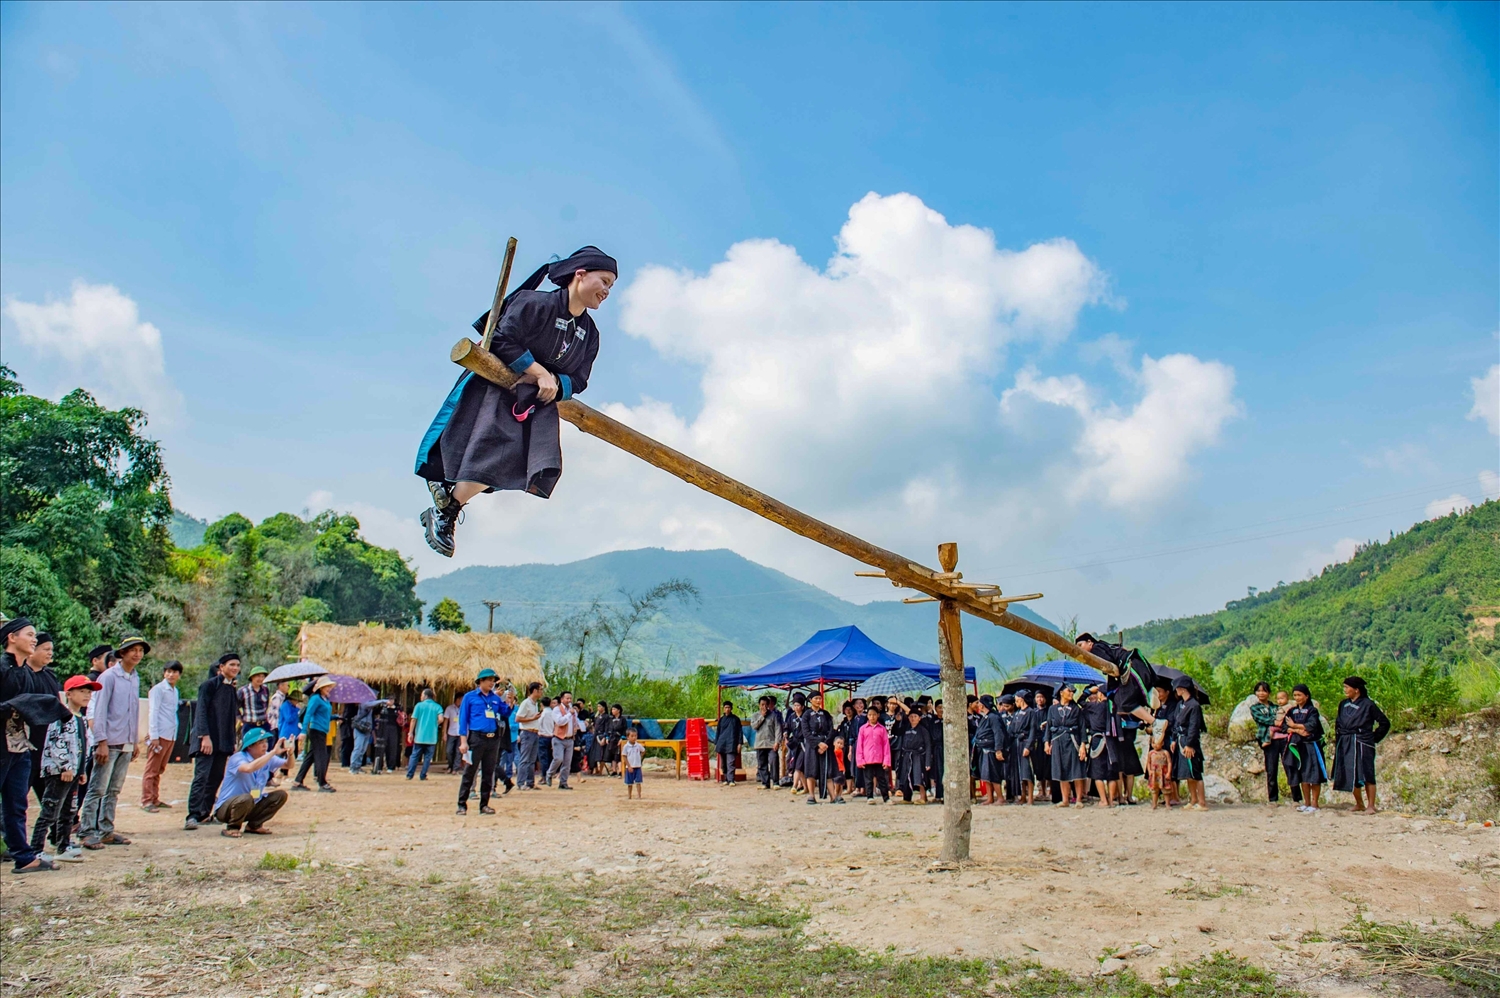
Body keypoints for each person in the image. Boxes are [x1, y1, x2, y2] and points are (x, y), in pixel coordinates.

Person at [417, 246, 619, 558]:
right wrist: (537, 372)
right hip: (493, 392)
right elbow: (498, 338)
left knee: (515, 465)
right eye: (603, 280)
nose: (606, 290)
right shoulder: (533, 303)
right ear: (579, 274)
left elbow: (579, 380)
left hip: (536, 407)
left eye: (611, 286)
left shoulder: (589, 334)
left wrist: (553, 384)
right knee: (492, 454)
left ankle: (446, 505)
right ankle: (445, 508)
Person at [79, 635, 146, 849]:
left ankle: (106, 829)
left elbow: (133, 710)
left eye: (140, 650)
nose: (137, 654)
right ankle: (87, 831)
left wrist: (135, 741)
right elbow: (100, 710)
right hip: (109, 741)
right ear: (122, 653)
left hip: (126, 741)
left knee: (114, 789)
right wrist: (101, 742)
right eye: (132, 650)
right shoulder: (108, 677)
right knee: (98, 787)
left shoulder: (135, 677)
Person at [32, 674, 98, 864]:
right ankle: (36, 849)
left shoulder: (82, 719)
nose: (86, 695)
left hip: (75, 773)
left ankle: (63, 845)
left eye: (89, 692)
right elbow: (54, 743)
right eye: (82, 691)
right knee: (50, 809)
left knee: (69, 810)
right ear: (69, 694)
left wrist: (82, 770)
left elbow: (84, 745)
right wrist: (64, 767)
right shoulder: (60, 716)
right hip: (59, 773)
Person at [187, 653, 241, 830]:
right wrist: (204, 736)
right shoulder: (208, 686)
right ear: (221, 667)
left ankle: (204, 813)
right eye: (231, 664)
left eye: (237, 665)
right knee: (201, 776)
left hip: (223, 742)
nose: (235, 668)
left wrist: (232, 741)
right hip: (207, 740)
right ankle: (193, 815)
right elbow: (200, 712)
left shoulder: (232, 689)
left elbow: (231, 717)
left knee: (216, 777)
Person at [212, 728, 290, 837]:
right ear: (250, 746)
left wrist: (290, 754)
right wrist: (272, 753)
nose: (265, 745)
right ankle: (232, 827)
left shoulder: (266, 757)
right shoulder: (238, 758)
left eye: (266, 742)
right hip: (227, 808)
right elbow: (248, 768)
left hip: (250, 803)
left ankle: (254, 826)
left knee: (280, 795)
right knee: (246, 798)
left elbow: (288, 765)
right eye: (260, 743)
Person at [1332, 676, 1390, 814]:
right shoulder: (1343, 704)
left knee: (1367, 772)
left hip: (1362, 741)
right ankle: (1359, 803)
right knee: (1350, 772)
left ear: (1356, 690)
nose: (1345, 690)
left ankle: (1371, 805)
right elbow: (1338, 723)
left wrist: (1373, 738)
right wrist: (1338, 739)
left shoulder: (1368, 704)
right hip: (1346, 741)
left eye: (1347, 687)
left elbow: (1384, 723)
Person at [1075, 633, 1157, 726]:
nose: (1079, 649)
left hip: (1131, 668)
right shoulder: (1104, 645)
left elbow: (1108, 662)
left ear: (1089, 642)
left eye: (1080, 645)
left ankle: (1155, 723)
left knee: (1126, 703)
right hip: (1138, 665)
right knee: (1125, 698)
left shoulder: (1095, 649)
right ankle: (1150, 694)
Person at [456, 668, 505, 814]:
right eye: (489, 680)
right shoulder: (470, 697)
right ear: (481, 681)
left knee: (488, 773)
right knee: (470, 771)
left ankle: (484, 805)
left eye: (493, 680)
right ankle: (462, 804)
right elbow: (463, 720)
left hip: (493, 739)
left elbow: (505, 712)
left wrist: (508, 702)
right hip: (477, 738)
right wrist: (463, 741)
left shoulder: (495, 698)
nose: (492, 683)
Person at [22, 632, 62, 801]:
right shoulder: (22, 675)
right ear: (33, 650)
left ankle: (58, 826)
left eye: (51, 649)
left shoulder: (50, 675)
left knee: (50, 797)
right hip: (29, 743)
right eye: (45, 649)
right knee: (19, 792)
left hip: (49, 744)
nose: (50, 653)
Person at [141, 660, 183, 812]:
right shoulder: (158, 690)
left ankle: (154, 797)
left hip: (170, 734)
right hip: (159, 734)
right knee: (152, 768)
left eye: (174, 672)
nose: (171, 675)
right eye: (168, 671)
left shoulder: (175, 691)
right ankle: (146, 800)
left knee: (160, 768)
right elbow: (154, 711)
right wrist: (154, 735)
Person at [1284, 684, 1326, 812]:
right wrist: (1297, 730)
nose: (1297, 698)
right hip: (1298, 747)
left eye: (1299, 695)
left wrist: (1295, 725)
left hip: (1311, 745)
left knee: (1314, 775)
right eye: (1295, 695)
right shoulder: (1292, 711)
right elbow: (1284, 726)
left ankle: (1314, 804)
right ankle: (1306, 803)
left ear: (1306, 696)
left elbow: (1312, 725)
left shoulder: (1312, 711)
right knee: (1302, 775)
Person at [1045, 686, 1088, 807]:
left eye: (1073, 692)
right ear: (1061, 692)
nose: (1071, 693)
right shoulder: (1052, 709)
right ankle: (1065, 800)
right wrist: (1046, 742)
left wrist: (1083, 745)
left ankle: (1078, 799)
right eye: (1069, 691)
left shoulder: (1076, 709)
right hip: (1058, 741)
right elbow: (1048, 726)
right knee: (1061, 769)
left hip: (1073, 740)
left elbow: (1082, 728)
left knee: (1076, 770)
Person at [292, 677, 336, 792]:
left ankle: (298, 781)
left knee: (310, 756)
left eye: (329, 687)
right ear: (320, 688)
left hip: (322, 730)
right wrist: (303, 732)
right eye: (327, 687)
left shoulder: (325, 700)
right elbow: (308, 714)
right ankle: (322, 783)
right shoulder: (315, 699)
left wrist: (336, 717)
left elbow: (324, 716)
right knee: (322, 756)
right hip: (316, 730)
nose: (329, 689)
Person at [1172, 677, 1208, 811]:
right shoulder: (1180, 704)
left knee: (1195, 772)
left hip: (1189, 741)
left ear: (1183, 688)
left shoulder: (1194, 705)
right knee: (1188, 773)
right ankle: (1193, 800)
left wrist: (1190, 744)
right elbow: (1176, 723)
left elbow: (1194, 726)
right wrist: (1174, 739)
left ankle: (1202, 802)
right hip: (1181, 739)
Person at [1081, 686, 1118, 808]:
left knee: (1098, 773)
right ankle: (1112, 800)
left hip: (1098, 740)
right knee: (1111, 773)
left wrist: (1088, 691)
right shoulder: (1114, 706)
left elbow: (1080, 702)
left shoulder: (1096, 706)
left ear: (1101, 695)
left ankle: (1104, 800)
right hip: (1112, 741)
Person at [802, 693, 837, 804]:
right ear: (811, 700)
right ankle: (811, 796)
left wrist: (825, 744)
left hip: (826, 746)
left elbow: (831, 729)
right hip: (812, 747)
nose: (818, 700)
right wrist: (818, 744)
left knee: (828, 771)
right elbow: (806, 732)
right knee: (811, 771)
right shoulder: (806, 715)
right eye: (816, 698)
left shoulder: (825, 714)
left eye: (820, 698)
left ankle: (833, 796)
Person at [855, 705, 891, 804]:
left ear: (878, 715)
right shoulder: (863, 729)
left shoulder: (882, 729)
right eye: (870, 715)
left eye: (874, 715)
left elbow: (886, 745)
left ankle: (886, 798)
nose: (872, 717)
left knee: (882, 779)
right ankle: (869, 797)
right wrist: (860, 759)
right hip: (867, 759)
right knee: (868, 779)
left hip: (879, 758)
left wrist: (886, 760)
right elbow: (859, 745)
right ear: (867, 716)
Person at [895, 708, 931, 805]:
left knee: (919, 776)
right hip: (906, 755)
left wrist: (928, 762)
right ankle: (907, 798)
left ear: (919, 718)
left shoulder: (923, 730)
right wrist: (897, 721)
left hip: (918, 755)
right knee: (906, 776)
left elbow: (928, 745)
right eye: (911, 716)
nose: (913, 718)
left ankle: (923, 797)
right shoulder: (905, 728)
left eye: (915, 716)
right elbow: (896, 731)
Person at [407, 689, 443, 781]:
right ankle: (423, 775)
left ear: (425, 696)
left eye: (422, 695)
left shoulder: (419, 706)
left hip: (420, 736)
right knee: (427, 758)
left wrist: (410, 732)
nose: (421, 697)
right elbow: (441, 719)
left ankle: (409, 775)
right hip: (431, 737)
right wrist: (435, 724)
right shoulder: (437, 706)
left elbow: (413, 720)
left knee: (414, 756)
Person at [545, 691, 577, 790]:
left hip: (570, 739)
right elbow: (560, 722)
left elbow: (575, 722)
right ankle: (549, 773)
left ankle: (563, 782)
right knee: (558, 758)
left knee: (567, 763)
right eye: (567, 698)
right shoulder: (556, 710)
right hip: (559, 738)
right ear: (562, 699)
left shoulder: (573, 710)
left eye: (570, 698)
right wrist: (569, 715)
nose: (569, 700)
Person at [514, 682, 543, 790]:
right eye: (540, 690)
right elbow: (517, 719)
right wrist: (532, 719)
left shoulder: (535, 703)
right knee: (524, 759)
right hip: (527, 732)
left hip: (535, 733)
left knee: (532, 760)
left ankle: (530, 782)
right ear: (534, 690)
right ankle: (520, 783)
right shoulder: (526, 703)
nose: (541, 692)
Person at [713, 701, 743, 786]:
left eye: (729, 707)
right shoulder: (721, 720)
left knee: (731, 762)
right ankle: (725, 778)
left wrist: (740, 743)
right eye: (726, 707)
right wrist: (716, 743)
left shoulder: (736, 719)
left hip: (732, 742)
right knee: (723, 763)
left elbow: (740, 731)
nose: (727, 709)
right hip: (722, 743)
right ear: (723, 708)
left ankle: (731, 780)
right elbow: (718, 732)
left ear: (731, 708)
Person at [276, 689, 303, 775]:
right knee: (284, 753)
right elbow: (288, 718)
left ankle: (285, 772)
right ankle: (281, 771)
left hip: (294, 733)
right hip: (286, 733)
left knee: (292, 753)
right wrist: (297, 711)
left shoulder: (294, 707)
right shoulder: (285, 706)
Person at [784, 694, 807, 793]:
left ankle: (794, 786)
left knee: (798, 765)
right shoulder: (791, 717)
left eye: (798, 705)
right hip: (794, 744)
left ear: (802, 706)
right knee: (797, 766)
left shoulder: (806, 716)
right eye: (795, 705)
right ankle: (805, 787)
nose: (796, 707)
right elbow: (787, 728)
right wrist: (786, 734)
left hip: (804, 744)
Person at [237, 665, 272, 732]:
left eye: (263, 676)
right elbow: (235, 706)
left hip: (264, 724)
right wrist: (240, 718)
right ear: (252, 677)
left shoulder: (265, 689)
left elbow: (266, 705)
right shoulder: (243, 691)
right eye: (258, 676)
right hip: (249, 725)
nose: (261, 679)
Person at [620, 727, 646, 800]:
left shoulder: (638, 745)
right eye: (632, 736)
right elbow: (624, 756)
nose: (634, 738)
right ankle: (629, 795)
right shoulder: (626, 747)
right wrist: (628, 766)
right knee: (629, 783)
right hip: (630, 767)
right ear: (628, 737)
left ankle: (639, 795)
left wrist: (639, 757)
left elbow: (643, 751)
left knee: (638, 782)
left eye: (635, 736)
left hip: (637, 766)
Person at [443, 697, 463, 773]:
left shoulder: (464, 708)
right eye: (460, 699)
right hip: (451, 732)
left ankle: (456, 768)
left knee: (458, 751)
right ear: (456, 699)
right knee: (449, 750)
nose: (460, 701)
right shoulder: (449, 708)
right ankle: (450, 765)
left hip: (461, 733)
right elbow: (445, 721)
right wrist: (444, 733)